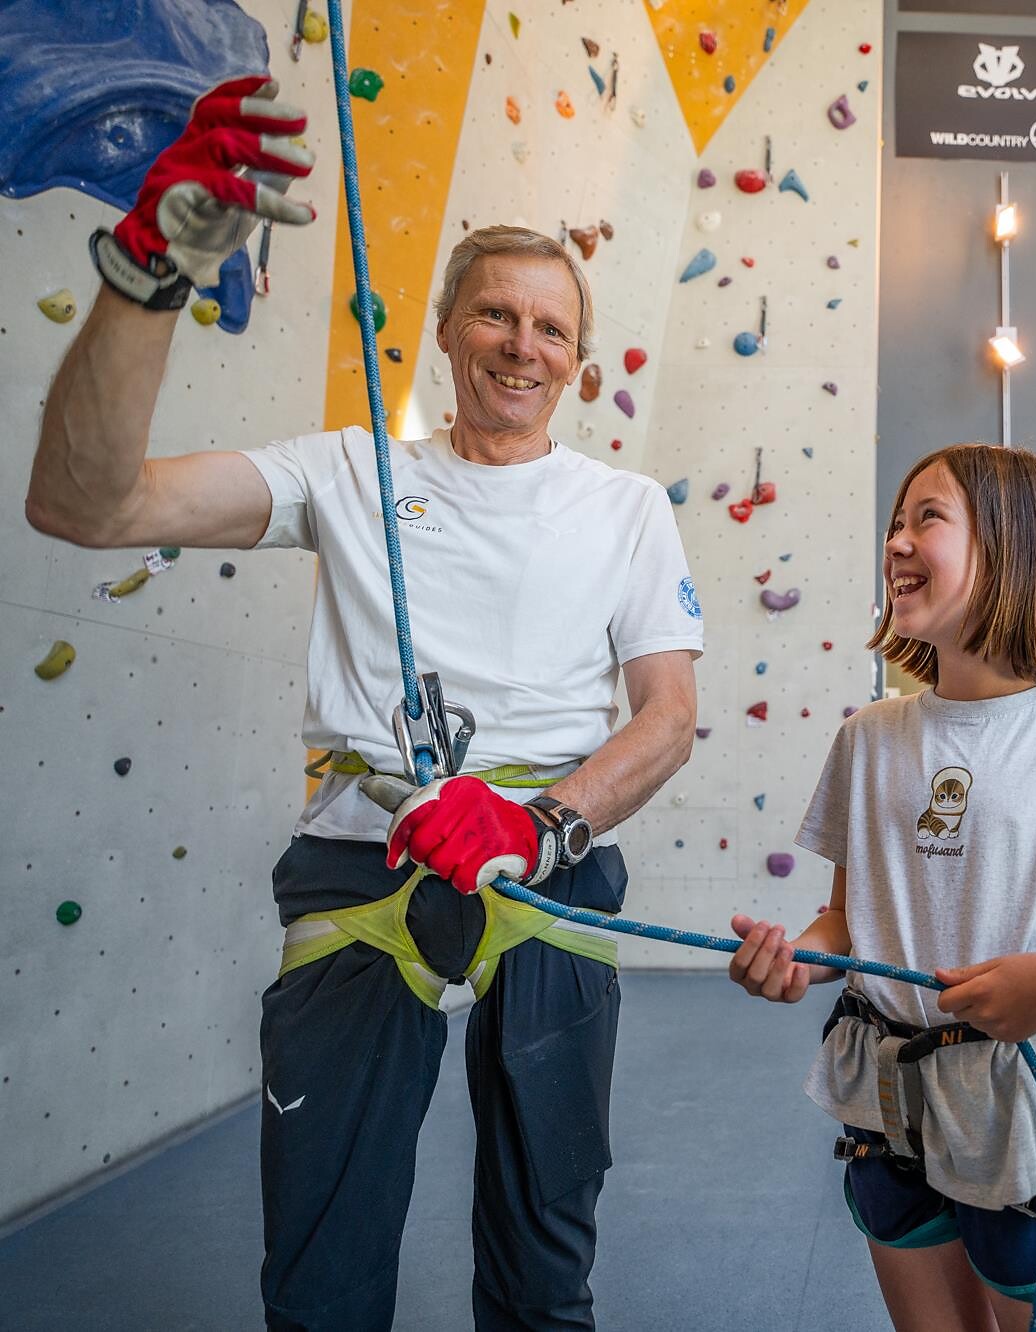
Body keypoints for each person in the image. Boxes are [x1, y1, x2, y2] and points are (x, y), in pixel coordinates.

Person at [26, 76, 703, 1330]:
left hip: (549, 868)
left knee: (548, 1257)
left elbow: (665, 716)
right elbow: (86, 504)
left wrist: (537, 825)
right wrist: (144, 278)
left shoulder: (626, 509)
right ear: (444, 331)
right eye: (495, 314)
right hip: (364, 861)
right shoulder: (348, 471)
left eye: (551, 328)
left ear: (579, 361)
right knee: (323, 1270)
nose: (522, 344)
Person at [728, 444, 1036, 1331]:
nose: (896, 540)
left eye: (926, 519)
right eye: (896, 521)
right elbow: (846, 920)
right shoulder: (869, 737)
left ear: (1014, 547)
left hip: (1031, 1114)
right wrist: (800, 960)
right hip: (886, 1103)